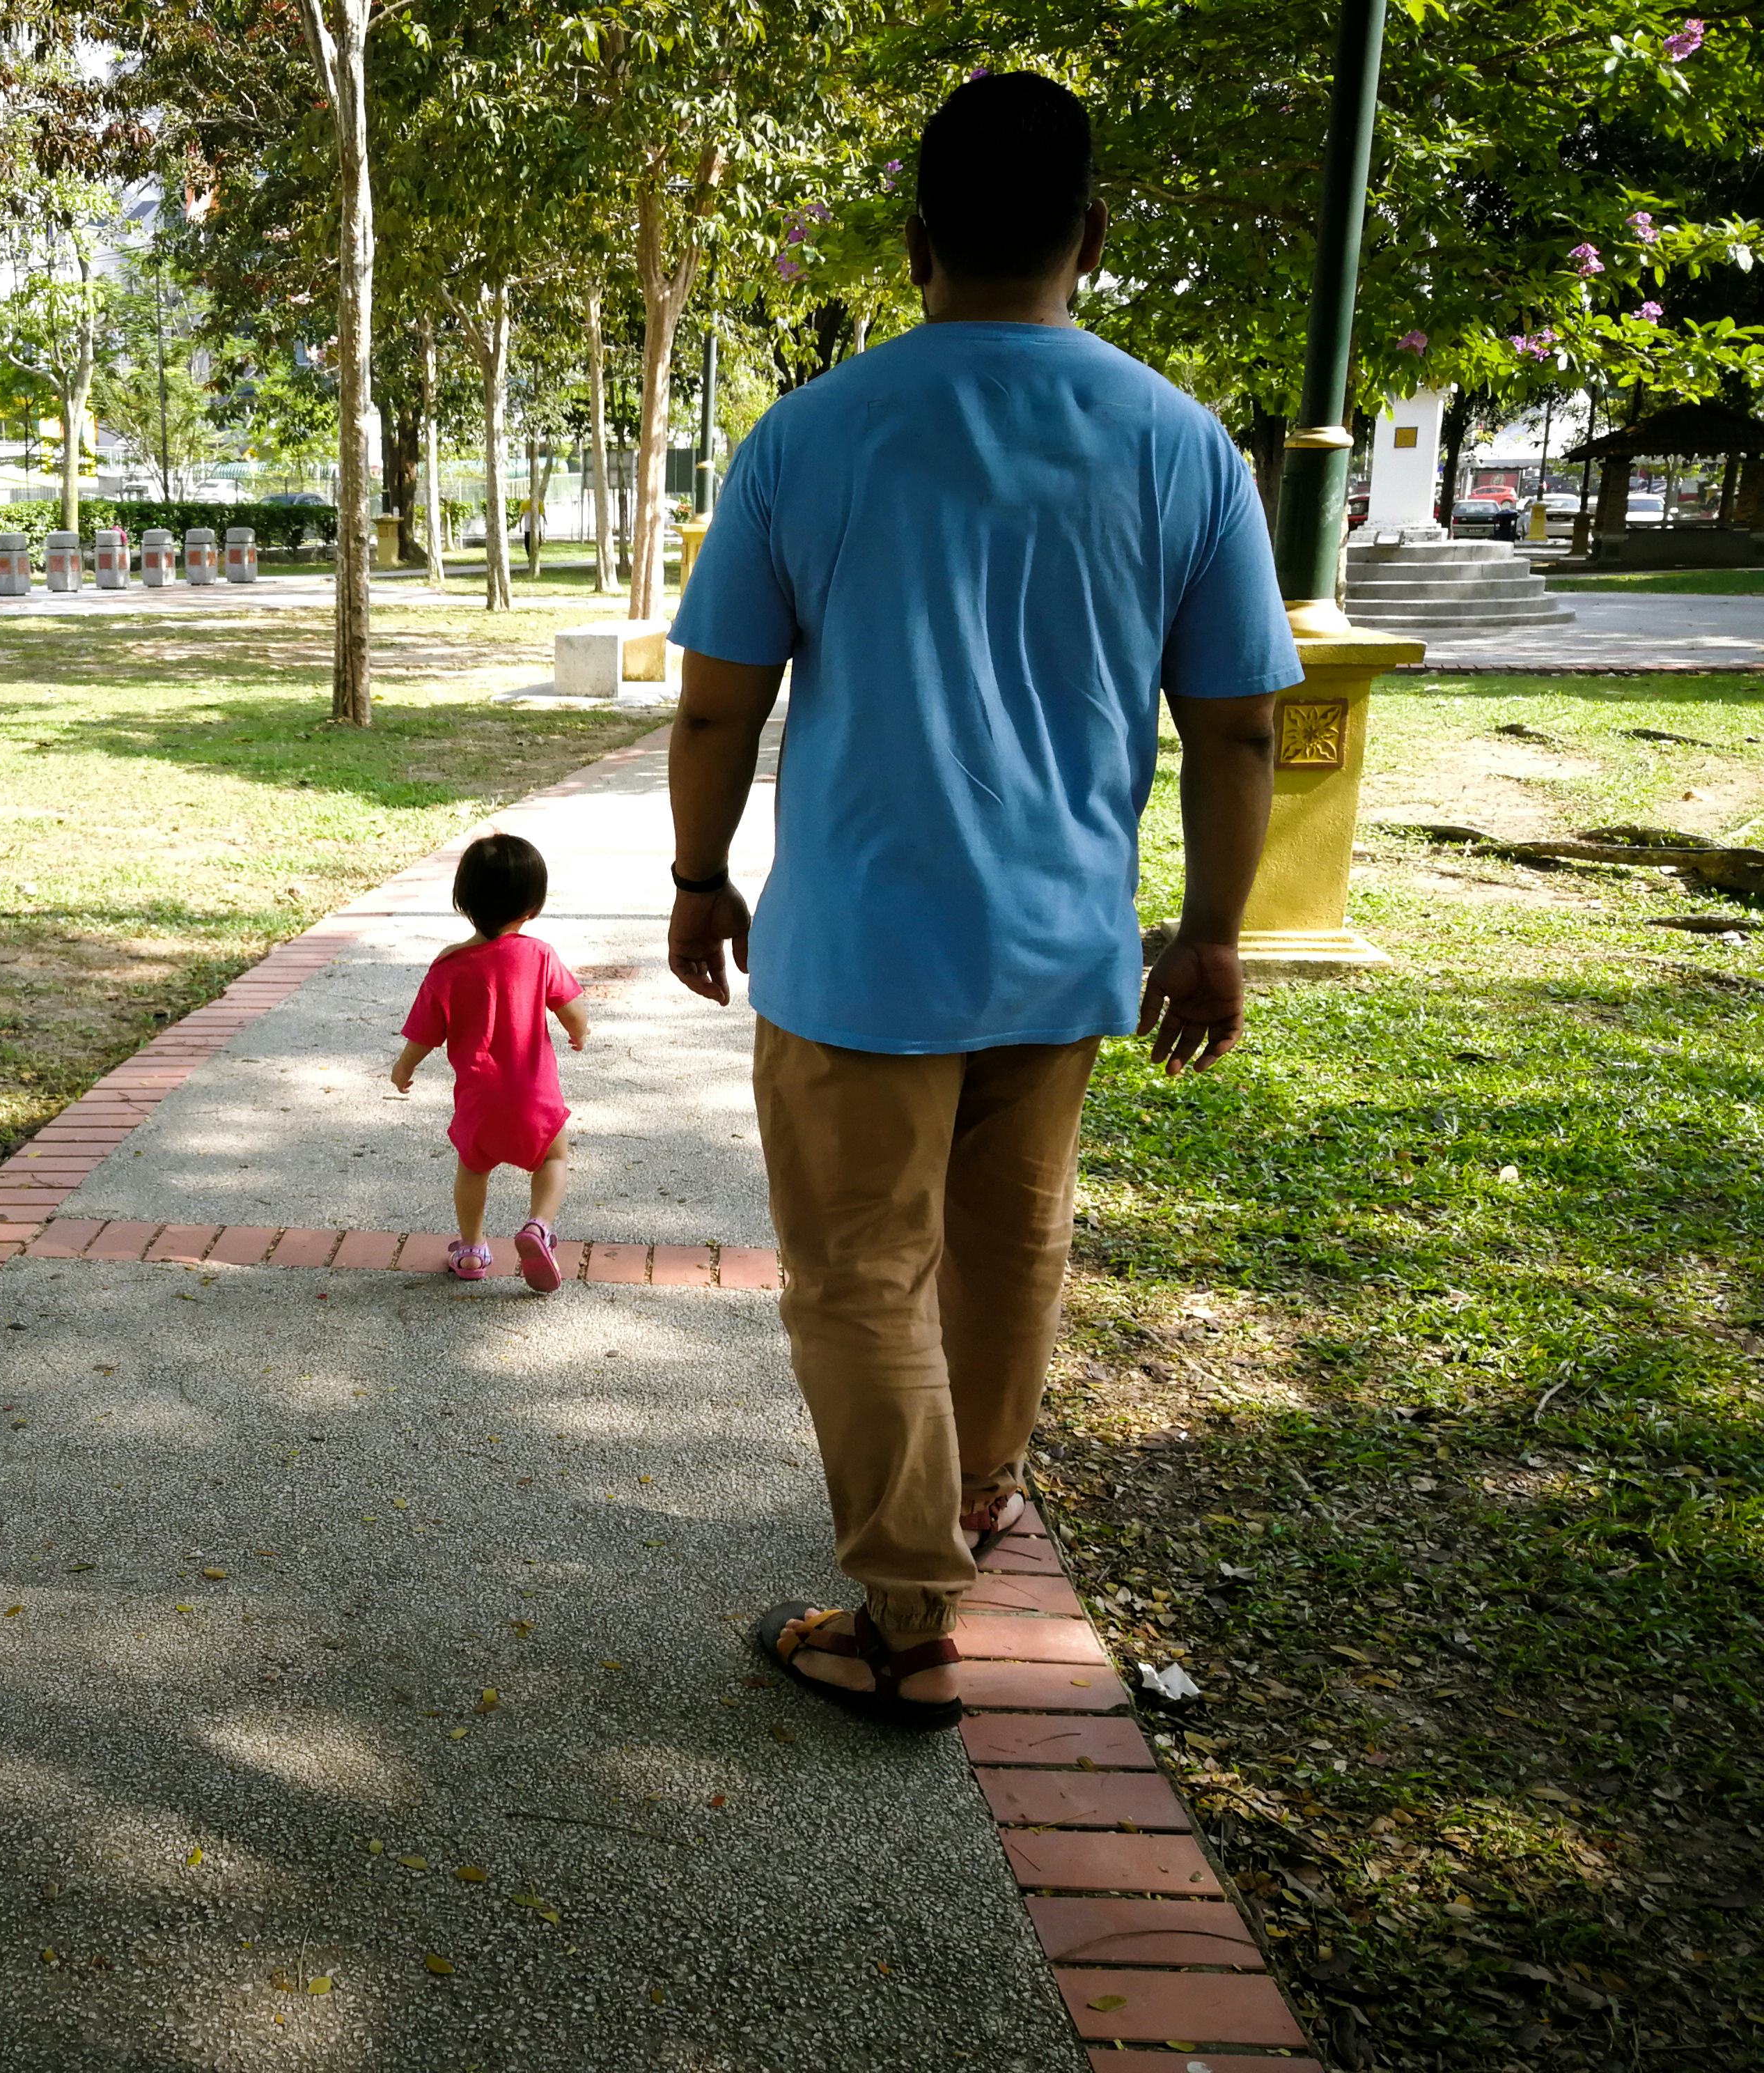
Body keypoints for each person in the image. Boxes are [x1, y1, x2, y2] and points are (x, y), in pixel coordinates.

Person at [666, 72, 1296, 1732]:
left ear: (911, 240)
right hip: (1061, 945)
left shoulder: (807, 433)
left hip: (856, 951)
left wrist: (692, 876)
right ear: (1087, 236)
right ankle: (976, 1493)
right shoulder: (1179, 446)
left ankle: (898, 1618)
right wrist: (1213, 927)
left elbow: (716, 704)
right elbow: (1235, 719)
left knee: (859, 1272)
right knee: (1007, 1242)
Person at [391, 832, 591, 1289]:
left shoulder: (448, 967)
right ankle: (538, 1226)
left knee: (473, 1169)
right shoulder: (540, 955)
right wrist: (579, 1033)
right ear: (533, 907)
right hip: (535, 1096)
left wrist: (404, 1069)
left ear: (463, 900)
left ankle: (473, 1250)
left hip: (480, 1100)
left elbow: (424, 1033)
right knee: (553, 1160)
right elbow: (573, 1010)